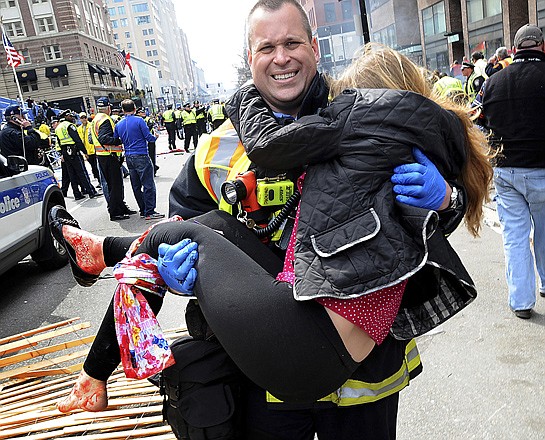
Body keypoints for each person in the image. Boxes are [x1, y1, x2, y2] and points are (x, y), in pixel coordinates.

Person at [53, 3, 491, 439]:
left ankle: (100, 256)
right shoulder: (216, 148)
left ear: (314, 48)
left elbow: (411, 237)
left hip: (365, 376)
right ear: (250, 59)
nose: (281, 57)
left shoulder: (356, 113)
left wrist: (447, 199)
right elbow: (182, 229)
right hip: (267, 378)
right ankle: (96, 343)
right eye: (267, 47)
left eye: (292, 43)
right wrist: (174, 273)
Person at [481, 24, 545, 320]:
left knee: (515, 237)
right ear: (542, 47)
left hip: (505, 171)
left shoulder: (493, 82)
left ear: (515, 49)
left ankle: (521, 301)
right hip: (542, 169)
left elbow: (478, 123)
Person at [114, 99, 164, 220]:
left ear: (123, 110)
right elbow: (149, 138)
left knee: (136, 185)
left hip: (129, 157)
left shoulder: (119, 124)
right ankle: (150, 211)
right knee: (148, 184)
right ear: (135, 109)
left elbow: (116, 140)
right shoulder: (139, 121)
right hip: (141, 154)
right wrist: (155, 136)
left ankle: (143, 209)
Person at [91, 97, 134, 221]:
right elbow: (104, 138)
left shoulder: (96, 119)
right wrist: (119, 140)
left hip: (103, 156)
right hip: (108, 156)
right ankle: (115, 212)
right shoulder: (105, 120)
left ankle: (121, 207)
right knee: (115, 186)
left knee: (115, 185)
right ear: (108, 107)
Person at [54, 110, 100, 200]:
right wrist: (85, 151)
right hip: (73, 151)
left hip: (65, 151)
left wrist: (62, 153)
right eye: (70, 116)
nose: (72, 118)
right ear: (66, 116)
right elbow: (77, 140)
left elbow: (59, 142)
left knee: (71, 174)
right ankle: (91, 192)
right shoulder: (69, 126)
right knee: (82, 172)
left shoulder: (58, 128)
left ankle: (77, 194)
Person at [77, 112, 100, 182]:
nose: (84, 119)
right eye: (82, 118)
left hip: (94, 149)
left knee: (97, 167)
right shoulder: (79, 129)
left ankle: (101, 180)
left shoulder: (91, 125)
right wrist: (84, 152)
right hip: (87, 151)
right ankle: (99, 180)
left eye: (85, 117)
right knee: (93, 166)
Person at [137, 107, 159, 176]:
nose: (143, 113)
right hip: (142, 141)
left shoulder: (148, 119)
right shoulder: (137, 120)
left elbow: (152, 126)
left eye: (143, 112)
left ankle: (153, 170)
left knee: (151, 155)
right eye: (141, 112)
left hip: (149, 140)